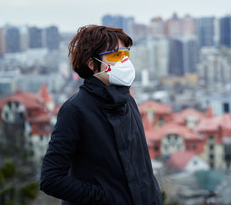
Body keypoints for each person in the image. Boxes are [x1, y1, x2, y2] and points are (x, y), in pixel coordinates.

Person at [40, 25, 163, 205]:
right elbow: (51, 179)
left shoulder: (128, 101)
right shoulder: (75, 110)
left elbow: (142, 169)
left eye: (125, 54)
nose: (123, 62)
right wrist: (106, 198)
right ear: (92, 64)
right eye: (115, 55)